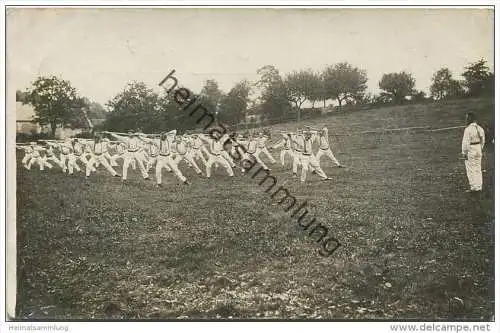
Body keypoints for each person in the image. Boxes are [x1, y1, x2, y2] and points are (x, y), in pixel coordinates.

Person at [461, 112, 485, 193]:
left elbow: (465, 142)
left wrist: (464, 152)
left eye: (467, 118)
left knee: (471, 168)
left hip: (471, 148)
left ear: (469, 119)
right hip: (478, 148)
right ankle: (479, 186)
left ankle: (473, 187)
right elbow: (483, 139)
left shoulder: (468, 129)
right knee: (478, 167)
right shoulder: (480, 128)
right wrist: (480, 147)